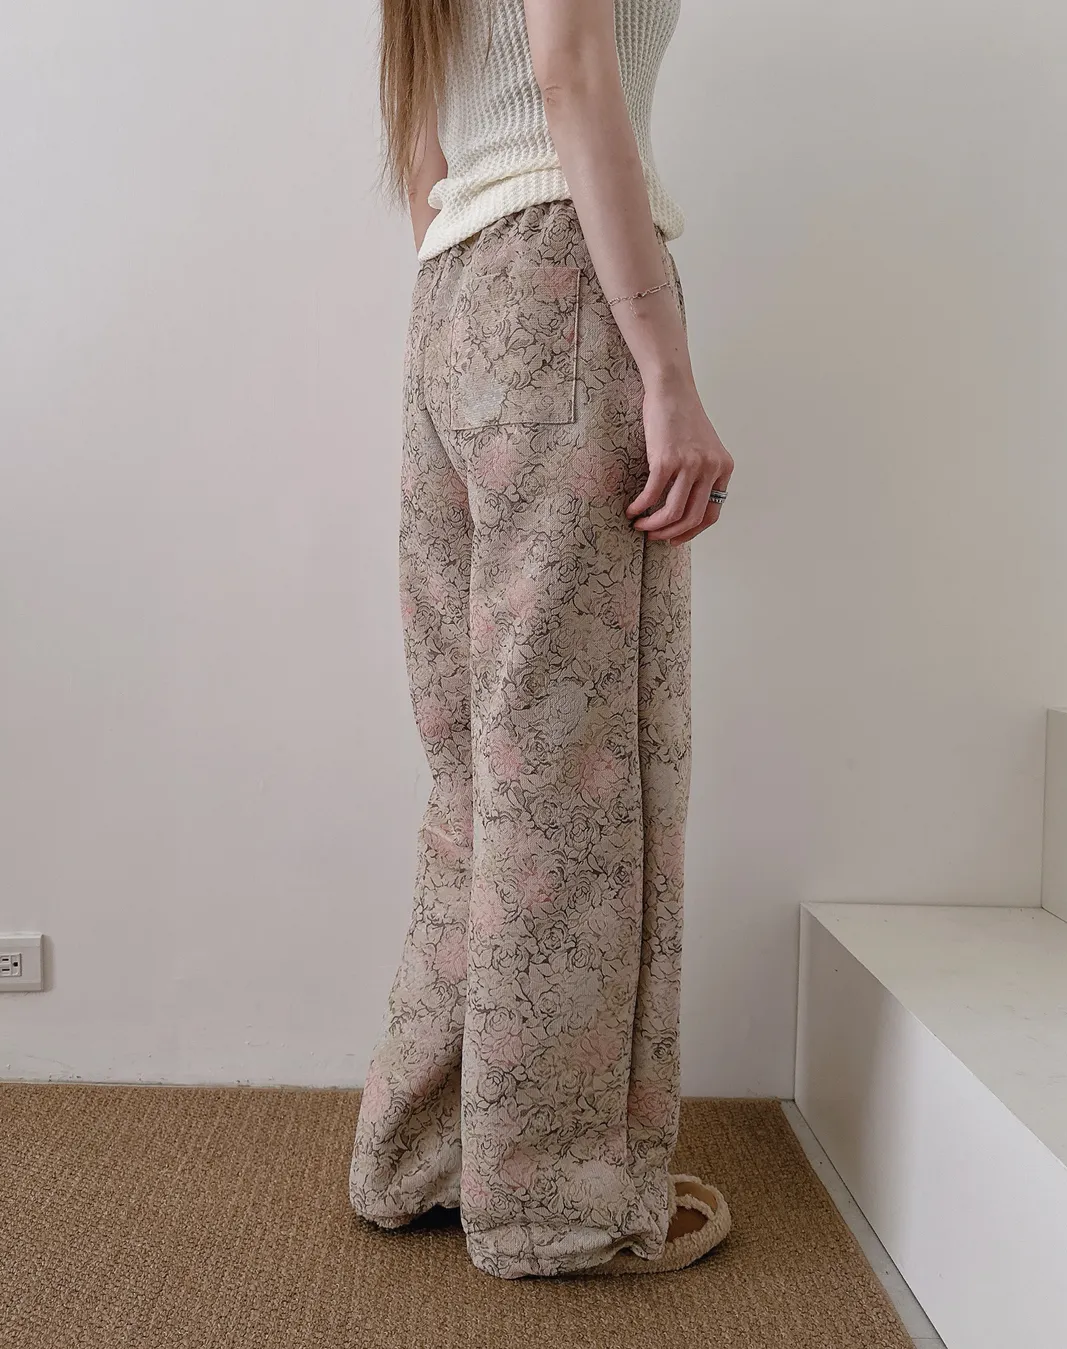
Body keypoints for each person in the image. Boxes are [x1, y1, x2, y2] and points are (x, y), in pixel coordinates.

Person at [348, 0, 735, 1280]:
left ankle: (428, 1151)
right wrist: (664, 370)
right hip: (566, 281)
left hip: (454, 296)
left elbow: (424, 138)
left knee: (481, 770)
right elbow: (569, 73)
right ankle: (553, 1200)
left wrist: (477, 297)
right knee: (574, 775)